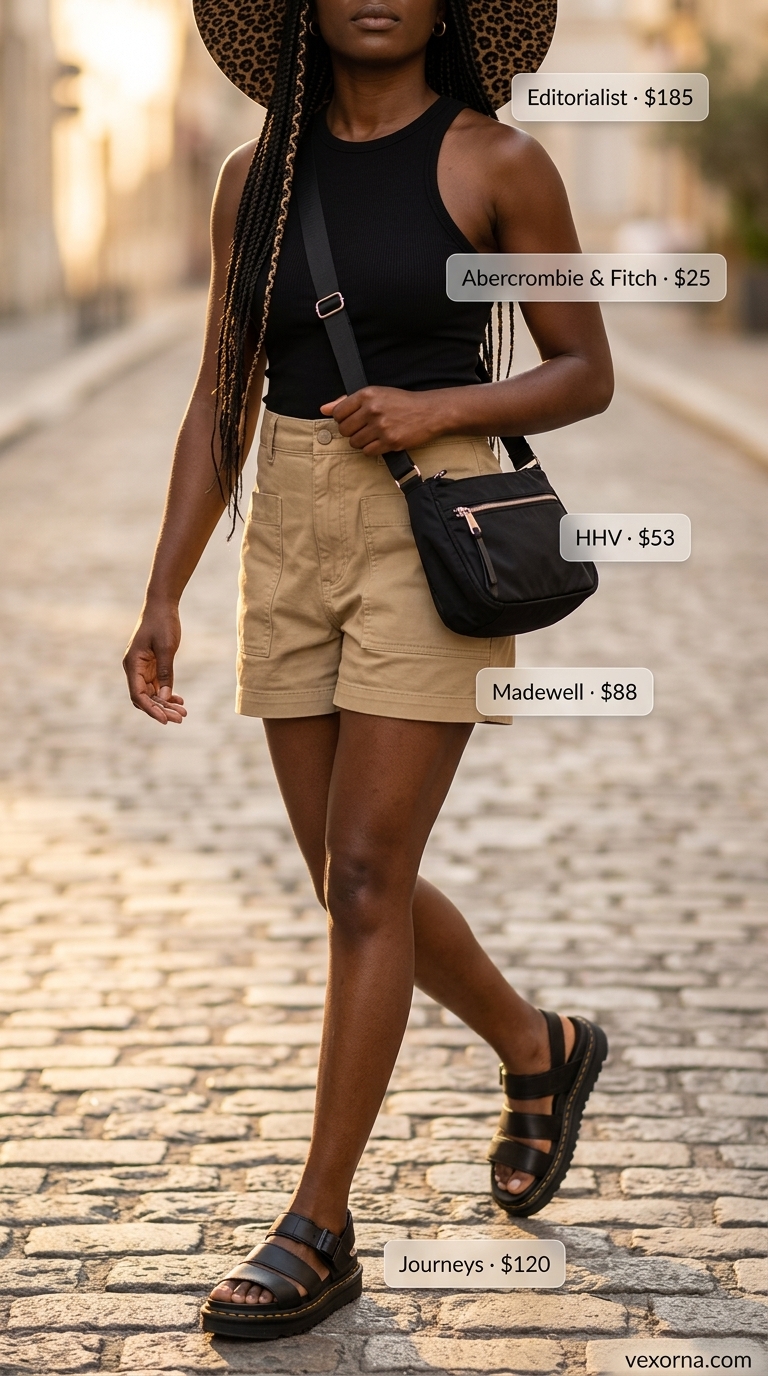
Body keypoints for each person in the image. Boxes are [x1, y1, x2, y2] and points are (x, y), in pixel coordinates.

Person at [123, 0, 613, 1342]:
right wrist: (165, 586)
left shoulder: (498, 164)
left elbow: (584, 370)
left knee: (361, 878)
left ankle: (319, 1226)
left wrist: (440, 405)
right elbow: (222, 385)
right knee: (350, 878)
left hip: (431, 516)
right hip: (283, 521)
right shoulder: (254, 178)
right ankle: (538, 1046)